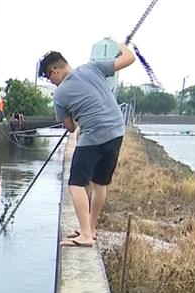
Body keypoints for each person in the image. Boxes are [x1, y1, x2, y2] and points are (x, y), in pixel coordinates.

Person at [39, 43, 136, 247]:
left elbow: (70, 128)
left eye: (49, 78)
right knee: (100, 183)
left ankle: (84, 235)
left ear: (54, 71)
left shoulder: (60, 95)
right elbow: (129, 58)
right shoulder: (92, 67)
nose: (52, 82)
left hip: (93, 136)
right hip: (117, 131)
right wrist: (121, 46)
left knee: (76, 184)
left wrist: (75, 115)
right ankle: (90, 229)